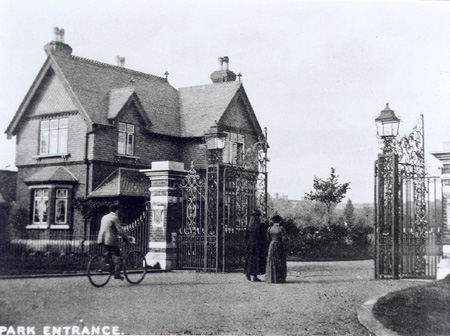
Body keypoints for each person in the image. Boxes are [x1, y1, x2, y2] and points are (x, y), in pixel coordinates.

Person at [97, 204, 134, 280]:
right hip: (110, 241)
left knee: (107, 255)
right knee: (118, 258)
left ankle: (106, 267)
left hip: (102, 239)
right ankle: (116, 274)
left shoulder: (104, 217)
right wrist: (127, 239)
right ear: (117, 210)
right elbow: (120, 231)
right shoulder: (114, 218)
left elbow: (108, 229)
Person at [244, 209, 266, 282]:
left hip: (250, 244)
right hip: (257, 244)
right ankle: (255, 276)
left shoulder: (249, 225)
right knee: (256, 260)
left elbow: (246, 236)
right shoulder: (259, 225)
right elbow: (262, 235)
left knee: (250, 259)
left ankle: (248, 273)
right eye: (258, 216)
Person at [265, 214, 287, 283]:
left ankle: (271, 278)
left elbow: (268, 239)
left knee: (272, 260)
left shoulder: (270, 229)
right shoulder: (281, 228)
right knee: (279, 260)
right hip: (279, 245)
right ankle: (279, 278)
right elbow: (284, 239)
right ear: (279, 221)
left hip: (272, 244)